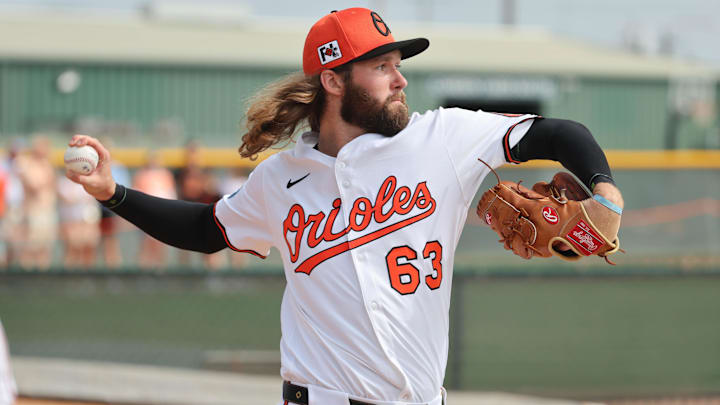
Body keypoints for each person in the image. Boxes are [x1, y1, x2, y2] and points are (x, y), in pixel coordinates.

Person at [66, 7, 623, 405]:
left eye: (397, 64)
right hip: (321, 395)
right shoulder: (280, 179)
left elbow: (556, 133)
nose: (400, 79)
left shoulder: (443, 139)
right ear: (333, 79)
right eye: (381, 67)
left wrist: (605, 190)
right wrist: (111, 193)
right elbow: (207, 229)